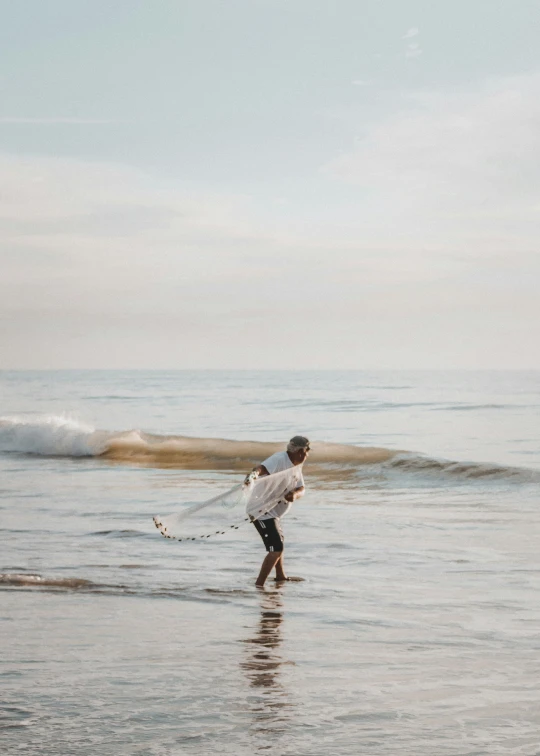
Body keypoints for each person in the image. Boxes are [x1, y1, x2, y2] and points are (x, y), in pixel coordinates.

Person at [245, 435, 310, 587]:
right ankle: (259, 584)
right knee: (276, 548)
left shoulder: (295, 465)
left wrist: (294, 494)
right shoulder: (280, 458)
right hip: (261, 511)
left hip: (273, 513)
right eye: (307, 451)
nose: (307, 455)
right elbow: (261, 468)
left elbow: (301, 488)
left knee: (279, 543)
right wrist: (253, 475)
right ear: (301, 451)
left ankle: (280, 576)